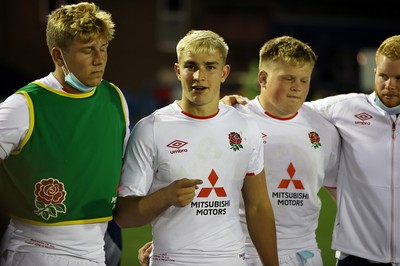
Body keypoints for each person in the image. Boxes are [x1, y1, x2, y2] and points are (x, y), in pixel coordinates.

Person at [138, 35, 341, 266]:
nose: (297, 87)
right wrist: (169, 245)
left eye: (305, 80)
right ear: (263, 78)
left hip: (304, 252)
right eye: (288, 78)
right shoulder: (235, 118)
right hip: (242, 253)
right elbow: (195, 178)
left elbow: (343, 193)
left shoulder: (324, 129)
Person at [114, 29, 279, 266]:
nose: (199, 76)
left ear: (224, 73)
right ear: (177, 70)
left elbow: (258, 207)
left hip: (231, 260)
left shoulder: (245, 127)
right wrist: (165, 196)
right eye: (191, 66)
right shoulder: (151, 128)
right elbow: (124, 216)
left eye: (210, 67)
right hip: (172, 260)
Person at [0, 2, 130, 265]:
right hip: (34, 252)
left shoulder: (115, 98)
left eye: (103, 48)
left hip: (96, 252)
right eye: (87, 51)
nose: (99, 59)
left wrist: (225, 110)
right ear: (58, 56)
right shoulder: (24, 104)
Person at [306, 35, 400, 265]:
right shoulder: (346, 107)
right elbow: (286, 109)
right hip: (356, 255)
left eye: (399, 78)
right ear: (375, 71)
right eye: (383, 76)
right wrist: (242, 105)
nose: (390, 85)